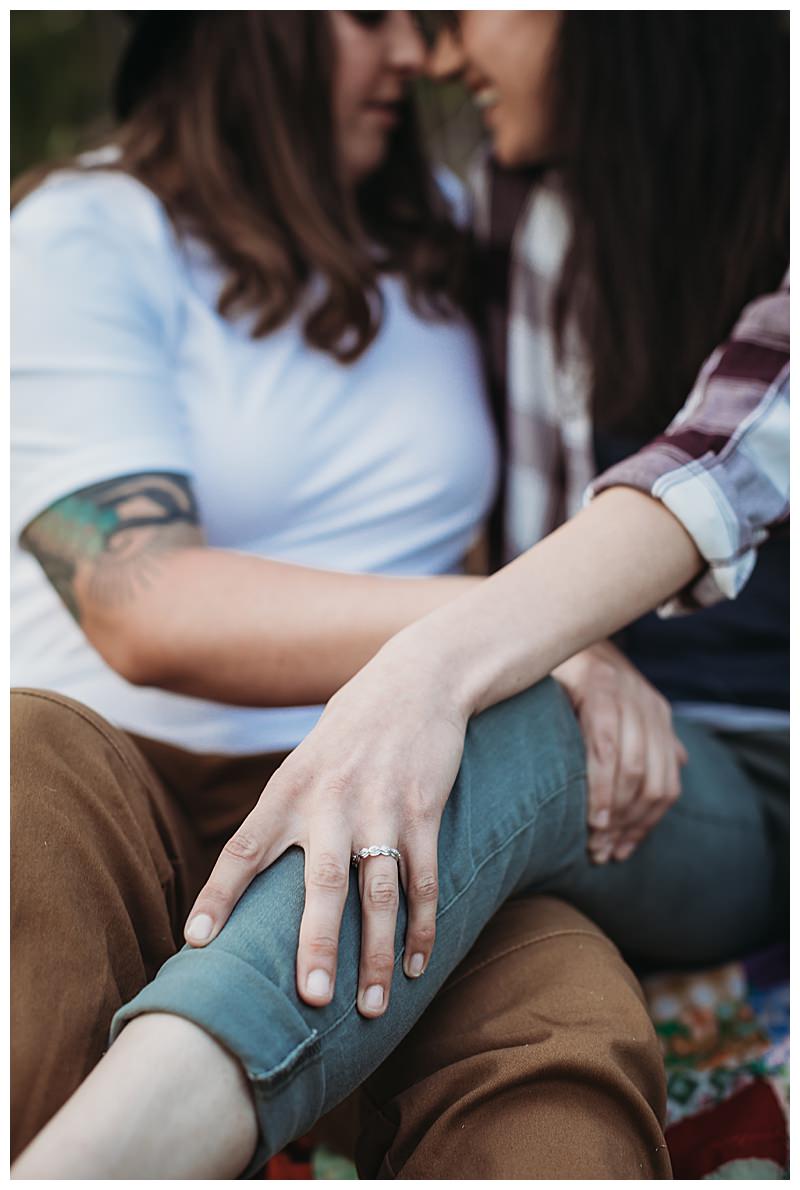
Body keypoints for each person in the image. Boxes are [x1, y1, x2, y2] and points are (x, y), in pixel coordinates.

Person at [13, 10, 788, 1180]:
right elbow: (140, 602)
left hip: (508, 767)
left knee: (556, 1013)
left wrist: (487, 646)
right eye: (377, 14)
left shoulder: (448, 224)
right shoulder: (94, 231)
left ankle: (135, 1135)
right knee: (19, 770)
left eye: (438, 15)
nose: (422, 56)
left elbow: (712, 465)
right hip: (189, 762)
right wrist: (513, 634)